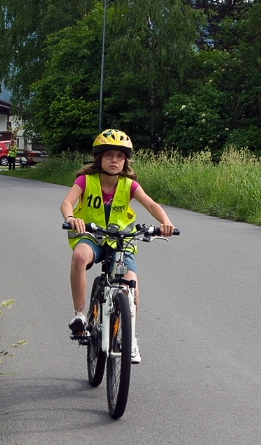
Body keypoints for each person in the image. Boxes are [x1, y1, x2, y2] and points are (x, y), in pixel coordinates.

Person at [60, 129, 175, 364]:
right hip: (92, 235)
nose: (115, 161)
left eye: (120, 157)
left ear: (125, 161)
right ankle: (80, 315)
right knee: (80, 257)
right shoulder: (86, 180)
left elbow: (151, 205)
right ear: (99, 158)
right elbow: (67, 202)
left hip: (121, 240)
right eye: (109, 155)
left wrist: (166, 222)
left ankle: (130, 338)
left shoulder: (129, 185)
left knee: (130, 282)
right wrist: (72, 218)